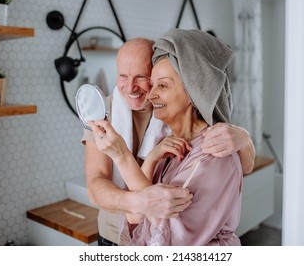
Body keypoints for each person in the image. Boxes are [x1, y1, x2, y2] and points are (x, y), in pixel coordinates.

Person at [82, 36, 255, 246]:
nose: (130, 88)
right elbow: (96, 186)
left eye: (143, 77)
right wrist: (140, 201)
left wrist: (245, 141)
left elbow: (238, 167)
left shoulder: (185, 128)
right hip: (113, 234)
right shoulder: (103, 114)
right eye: (122, 76)